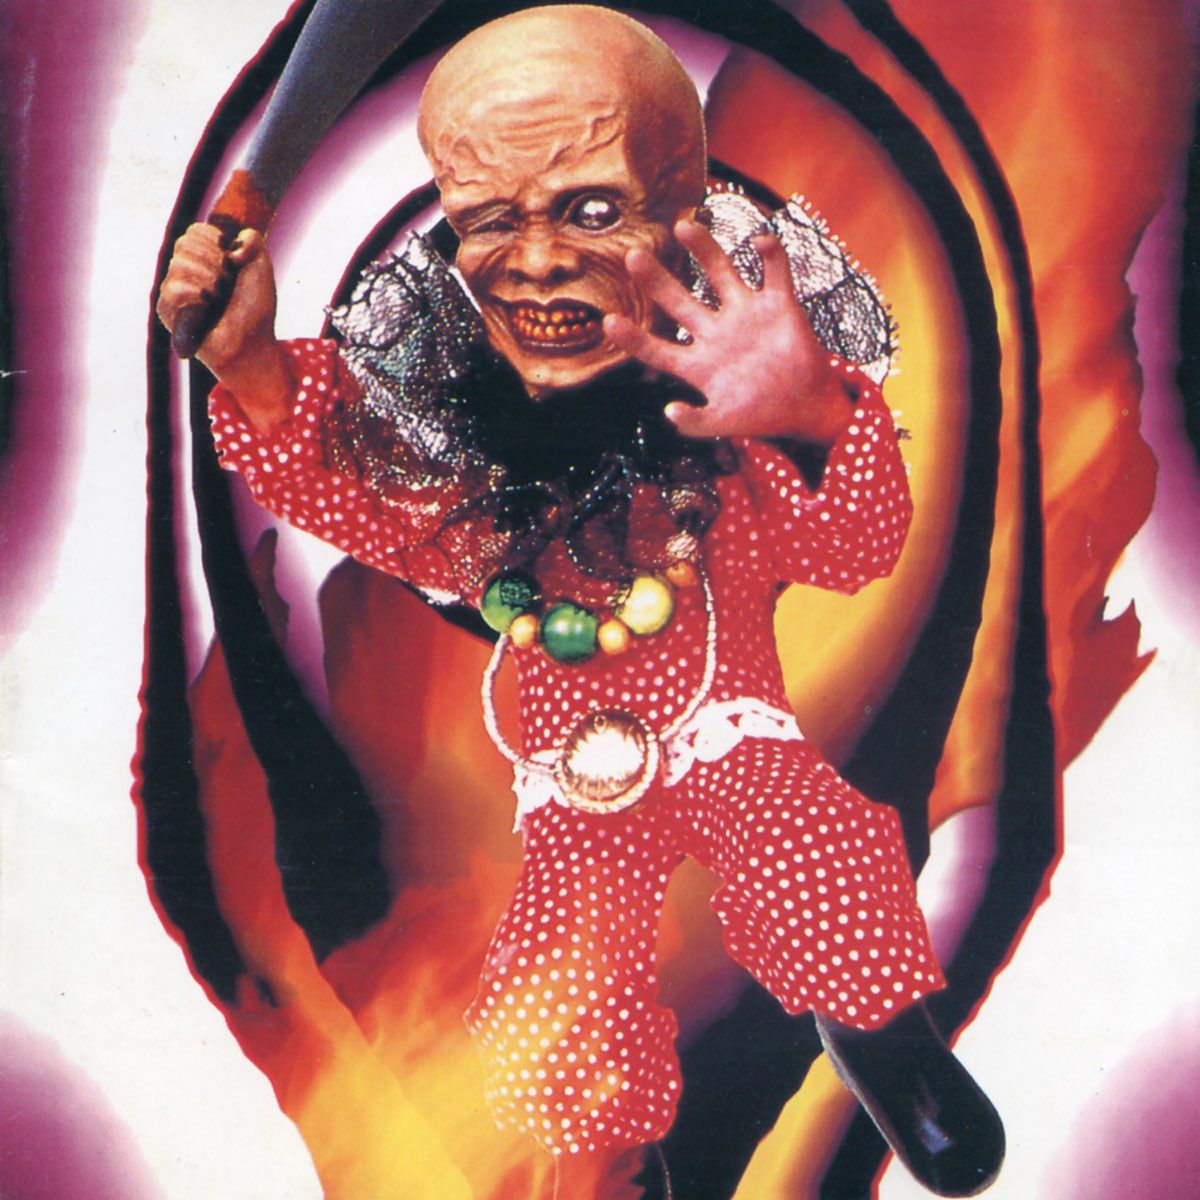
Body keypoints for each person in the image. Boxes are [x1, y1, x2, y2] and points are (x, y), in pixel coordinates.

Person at [157, 7, 1003, 1196]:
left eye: (592, 210)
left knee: (811, 852)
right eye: (490, 218)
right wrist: (250, 364)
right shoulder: (473, 473)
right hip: (572, 787)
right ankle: (608, 1169)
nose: (539, 258)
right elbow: (359, 492)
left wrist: (813, 418)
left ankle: (886, 1043)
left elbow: (854, 545)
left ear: (683, 212)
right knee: (558, 994)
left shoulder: (725, 437)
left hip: (731, 739)